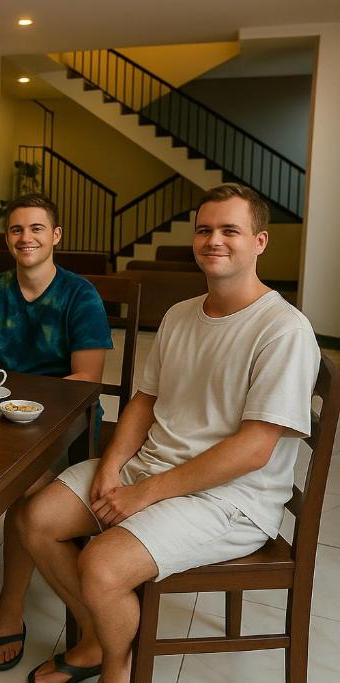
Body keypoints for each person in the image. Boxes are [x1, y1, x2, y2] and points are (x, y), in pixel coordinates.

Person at [19, 183, 319, 683]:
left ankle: (119, 666)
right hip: (153, 468)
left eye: (230, 230)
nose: (214, 241)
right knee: (37, 519)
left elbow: (253, 449)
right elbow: (144, 401)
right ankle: (97, 640)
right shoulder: (181, 315)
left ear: (260, 242)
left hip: (233, 499)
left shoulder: (283, 330)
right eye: (205, 230)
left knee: (102, 566)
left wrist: (142, 494)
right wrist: (113, 468)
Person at [0, 193, 112, 671]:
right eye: (16, 230)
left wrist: (0, 372)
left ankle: (10, 613)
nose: (25, 238)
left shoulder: (80, 295)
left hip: (65, 425)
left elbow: (88, 379)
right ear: (8, 239)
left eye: (36, 228)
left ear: (55, 236)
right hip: (2, 416)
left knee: (24, 492)